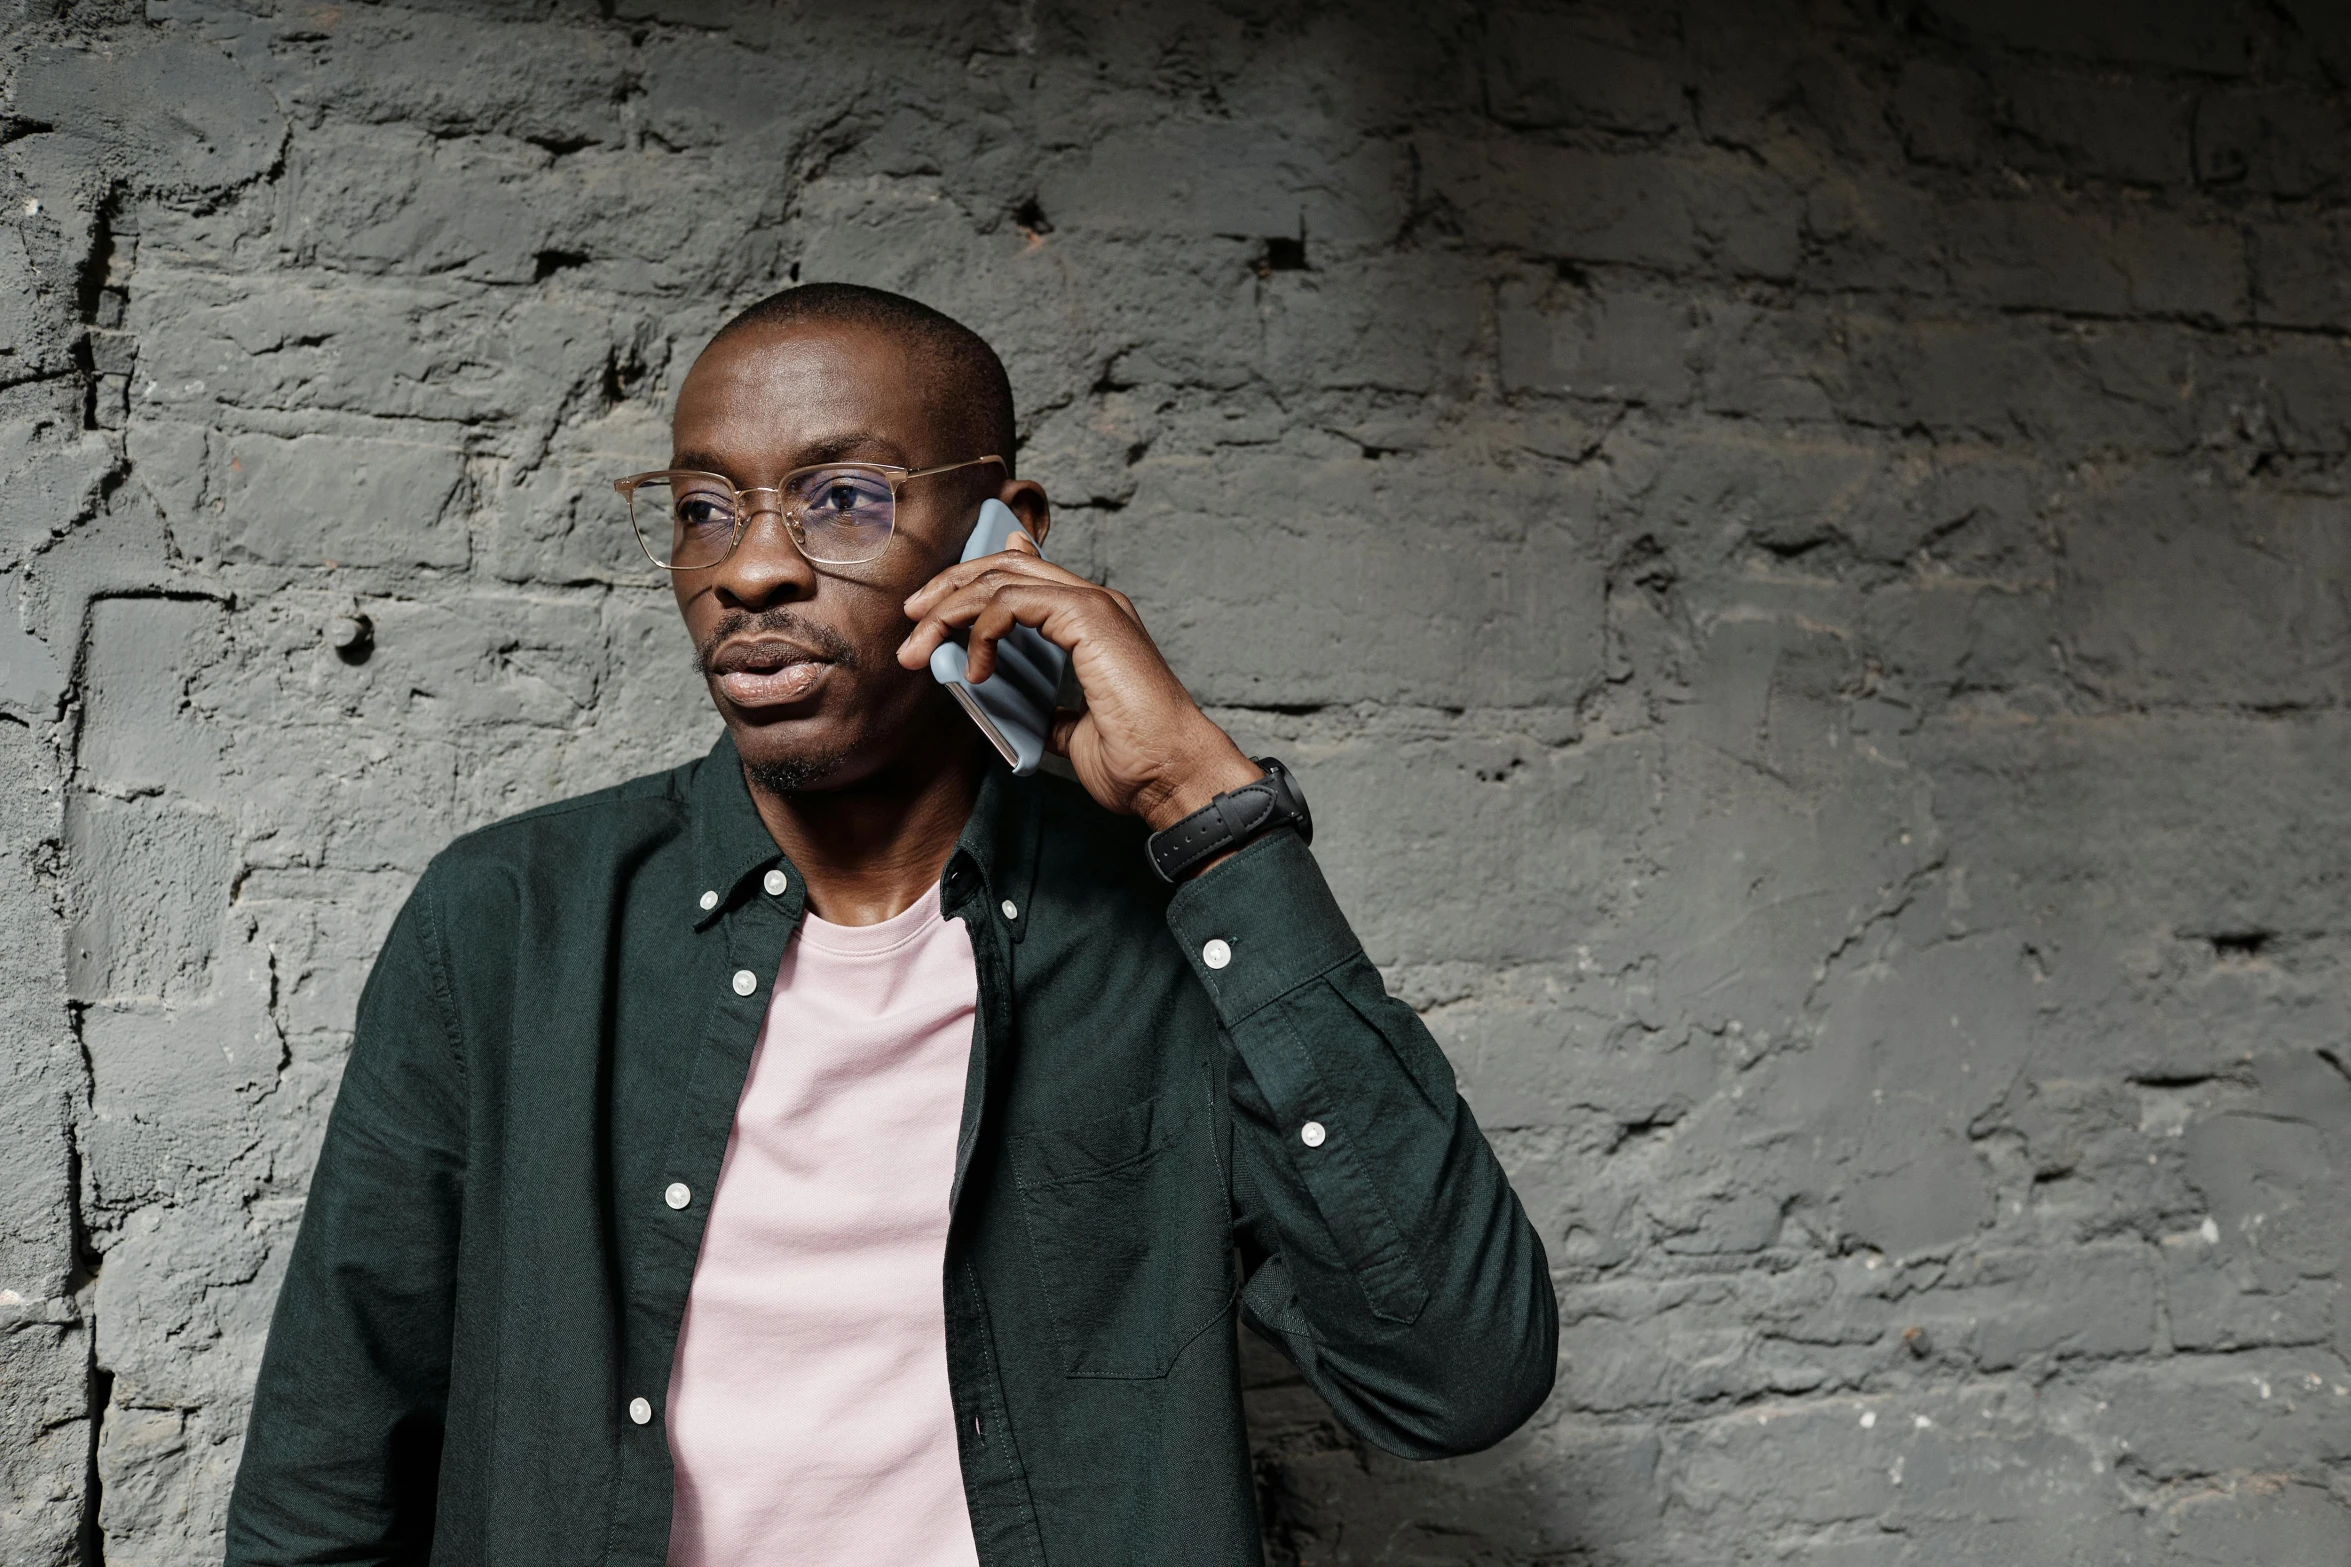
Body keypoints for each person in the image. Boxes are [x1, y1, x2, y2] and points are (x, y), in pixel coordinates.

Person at [225, 283, 1556, 1566]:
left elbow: (1457, 1375)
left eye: (839, 501)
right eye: (701, 508)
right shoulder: (508, 923)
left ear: (999, 537)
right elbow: (327, 1476)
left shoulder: (1171, 927)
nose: (747, 568)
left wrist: (1205, 808)